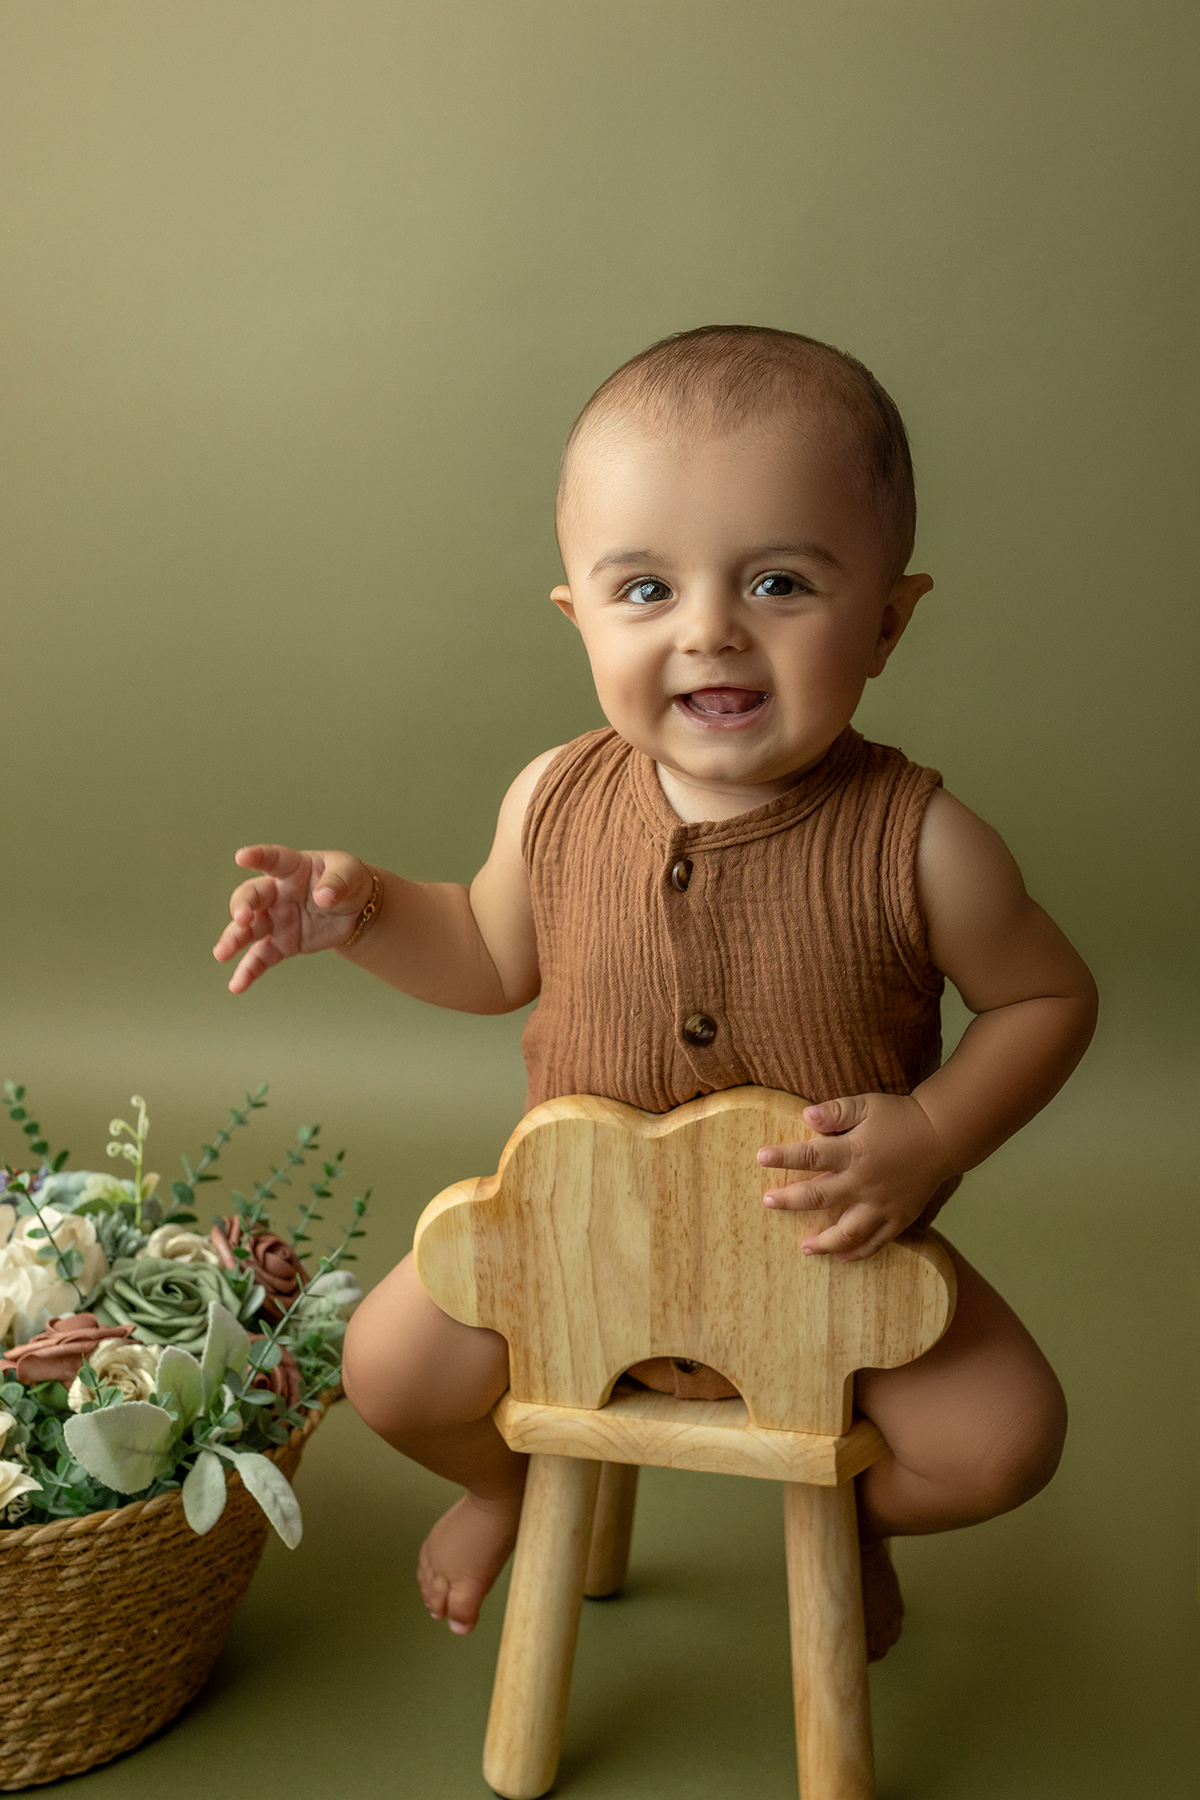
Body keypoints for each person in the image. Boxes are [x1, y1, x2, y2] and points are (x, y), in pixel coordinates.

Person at [212, 326, 1096, 1654]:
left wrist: (930, 1136)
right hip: (569, 1254)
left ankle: (856, 1518)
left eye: (783, 581)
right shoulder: (556, 800)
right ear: (577, 614)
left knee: (1005, 1442)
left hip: (826, 1266)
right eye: (645, 591)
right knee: (386, 1367)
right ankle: (504, 1478)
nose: (710, 632)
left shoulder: (922, 843)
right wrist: (373, 914)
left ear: (889, 620)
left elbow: (1047, 1001)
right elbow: (490, 953)